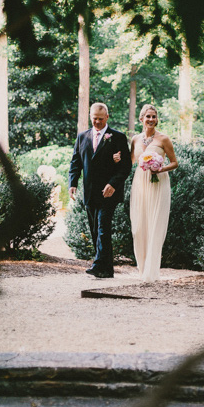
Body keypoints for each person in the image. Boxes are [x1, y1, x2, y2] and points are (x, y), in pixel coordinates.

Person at [69, 102, 132, 278]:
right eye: (94, 118)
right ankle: (107, 270)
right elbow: (75, 162)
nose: (97, 122)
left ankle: (97, 265)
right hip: (90, 192)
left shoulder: (118, 138)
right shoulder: (82, 137)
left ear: (107, 117)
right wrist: (72, 183)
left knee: (103, 227)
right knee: (95, 230)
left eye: (100, 119)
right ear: (90, 116)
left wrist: (113, 184)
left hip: (109, 192)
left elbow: (125, 166)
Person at [129, 104, 178, 282]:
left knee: (155, 225)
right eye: (147, 116)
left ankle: (151, 272)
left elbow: (175, 162)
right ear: (141, 119)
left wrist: (160, 168)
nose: (151, 120)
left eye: (154, 117)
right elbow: (130, 161)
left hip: (159, 183)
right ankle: (142, 270)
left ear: (157, 119)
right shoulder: (135, 139)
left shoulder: (164, 139)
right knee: (139, 226)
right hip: (140, 183)